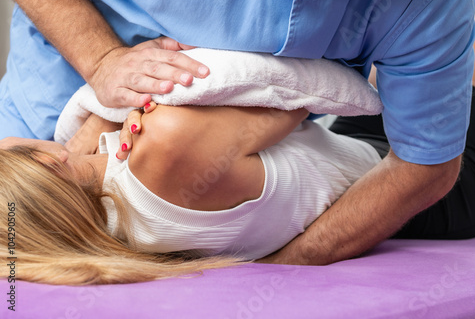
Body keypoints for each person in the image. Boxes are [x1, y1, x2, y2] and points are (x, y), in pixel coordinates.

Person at [0, 0, 475, 265]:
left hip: (336, 162)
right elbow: (293, 97)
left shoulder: (86, 239)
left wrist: (98, 126)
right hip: (357, 163)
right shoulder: (163, 138)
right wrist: (102, 65)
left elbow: (421, 166)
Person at [0, 105, 381, 285]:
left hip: (341, 154)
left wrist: (107, 113)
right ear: (44, 163)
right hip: (384, 173)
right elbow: (305, 89)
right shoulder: (166, 139)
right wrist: (126, 95)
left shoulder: (116, 241)